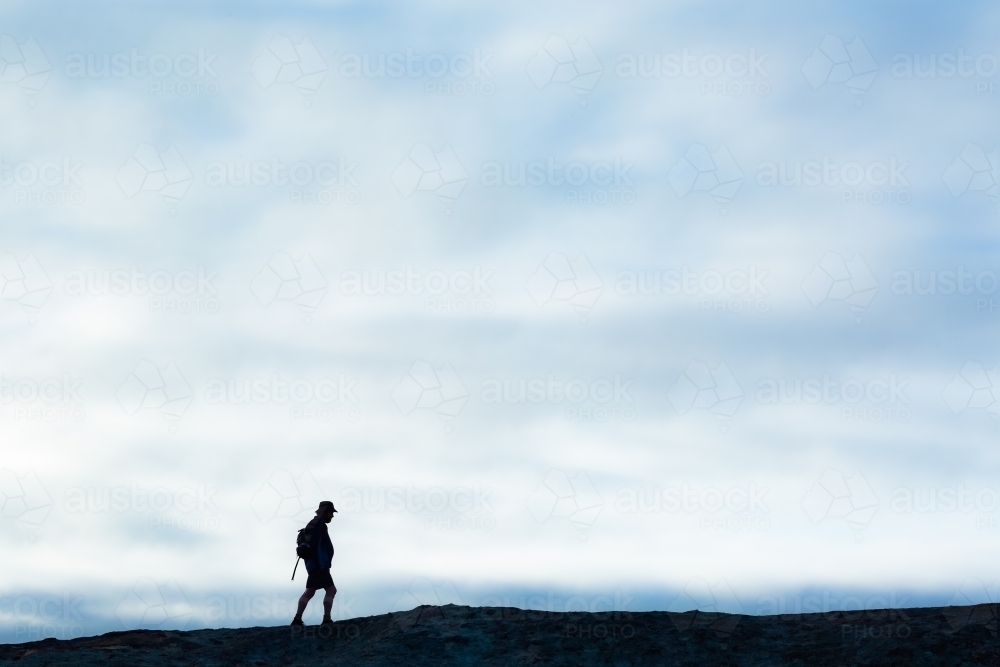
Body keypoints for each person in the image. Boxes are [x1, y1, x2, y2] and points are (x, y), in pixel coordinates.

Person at [291, 501, 337, 626]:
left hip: (313, 565)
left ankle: (297, 619)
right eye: (331, 512)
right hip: (319, 565)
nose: (332, 515)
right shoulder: (319, 525)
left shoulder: (314, 524)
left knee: (310, 591)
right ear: (325, 512)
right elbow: (316, 545)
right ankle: (327, 619)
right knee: (331, 590)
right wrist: (321, 565)